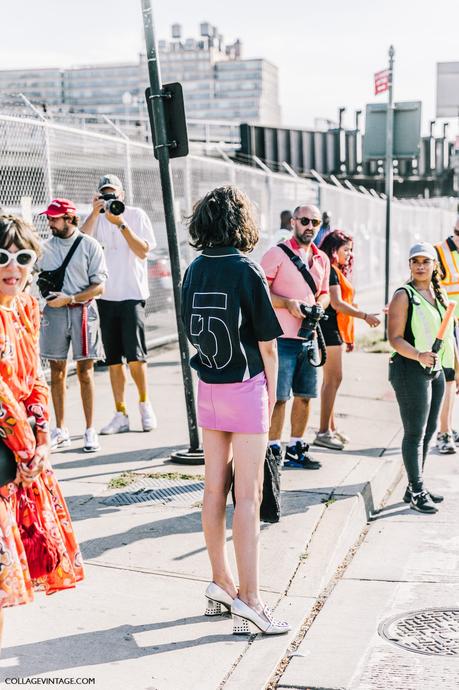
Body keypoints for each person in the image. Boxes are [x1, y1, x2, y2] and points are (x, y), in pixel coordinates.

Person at [181, 185, 290, 635]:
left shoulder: (193, 269)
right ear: (241, 222)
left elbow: (191, 330)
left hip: (209, 385)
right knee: (248, 496)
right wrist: (268, 393)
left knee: (212, 491)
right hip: (245, 389)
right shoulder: (247, 269)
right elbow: (268, 343)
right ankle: (251, 600)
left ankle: (220, 582)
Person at [0, 214, 83, 647]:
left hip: (23, 456)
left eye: (22, 257)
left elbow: (35, 379)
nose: (12, 267)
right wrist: (24, 447)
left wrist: (43, 442)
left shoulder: (28, 308)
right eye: (1, 257)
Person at [81, 174, 157, 435]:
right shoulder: (98, 219)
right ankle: (120, 412)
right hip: (106, 296)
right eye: (105, 194)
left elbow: (143, 251)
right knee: (114, 360)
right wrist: (94, 213)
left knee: (136, 357)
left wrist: (121, 223)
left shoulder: (136, 215)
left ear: (122, 195)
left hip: (132, 294)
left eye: (113, 194)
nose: (110, 199)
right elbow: (80, 244)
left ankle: (145, 405)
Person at [260, 204, 330, 469]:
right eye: (305, 221)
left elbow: (324, 293)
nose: (310, 226)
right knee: (279, 397)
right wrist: (288, 303)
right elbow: (261, 294)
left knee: (304, 395)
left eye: (315, 222)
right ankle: (273, 449)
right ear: (293, 222)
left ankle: (296, 447)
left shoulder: (322, 258)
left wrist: (320, 305)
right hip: (281, 338)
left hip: (309, 337)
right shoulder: (276, 253)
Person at [388, 242, 455, 514]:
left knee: (428, 432)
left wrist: (451, 366)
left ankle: (415, 485)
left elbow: (447, 336)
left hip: (435, 369)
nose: (420, 266)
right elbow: (394, 338)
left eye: (425, 261)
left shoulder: (437, 294)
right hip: (409, 369)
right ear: (409, 265)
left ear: (434, 266)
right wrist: (418, 355)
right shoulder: (404, 294)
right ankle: (417, 491)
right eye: (415, 261)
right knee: (415, 432)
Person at [38, 199, 108, 453]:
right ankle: (61, 428)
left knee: (85, 372)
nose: (50, 222)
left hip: (82, 311)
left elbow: (99, 286)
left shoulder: (89, 245)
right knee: (56, 371)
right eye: (49, 217)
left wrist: (71, 298)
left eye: (54, 218)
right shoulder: (44, 247)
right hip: (53, 314)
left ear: (70, 218)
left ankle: (90, 429)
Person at [313, 230, 380, 450]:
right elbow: (337, 303)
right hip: (329, 330)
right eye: (346, 249)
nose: (349, 254)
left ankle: (330, 428)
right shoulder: (330, 270)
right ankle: (323, 432)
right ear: (334, 250)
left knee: (330, 381)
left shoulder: (334, 270)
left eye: (351, 250)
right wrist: (364, 316)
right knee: (333, 380)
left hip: (335, 330)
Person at [434, 215, 459, 454]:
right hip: (448, 324)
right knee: (449, 378)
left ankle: (450, 427)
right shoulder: (438, 253)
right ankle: (444, 432)